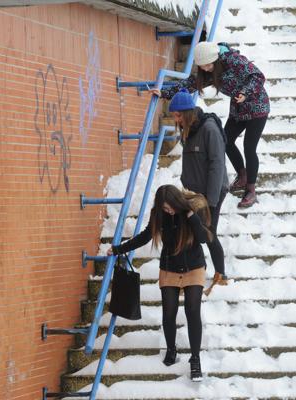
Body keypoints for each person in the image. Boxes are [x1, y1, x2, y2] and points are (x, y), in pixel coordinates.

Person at [107, 185, 211, 382]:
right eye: (164, 208)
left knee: (192, 310)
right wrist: (119, 249)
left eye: (170, 207)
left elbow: (203, 239)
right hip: (170, 268)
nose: (168, 211)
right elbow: (146, 236)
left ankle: (195, 359)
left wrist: (190, 215)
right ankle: (171, 349)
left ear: (177, 202)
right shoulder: (159, 215)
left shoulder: (190, 210)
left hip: (194, 267)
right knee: (168, 312)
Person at [152, 41, 270, 208]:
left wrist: (245, 92)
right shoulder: (208, 70)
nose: (206, 69)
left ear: (214, 59)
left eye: (208, 65)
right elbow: (191, 84)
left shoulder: (233, 60)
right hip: (238, 110)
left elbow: (257, 76)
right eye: (202, 66)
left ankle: (250, 190)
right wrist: (165, 92)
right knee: (226, 141)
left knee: (249, 147)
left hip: (257, 107)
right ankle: (242, 176)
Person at [166, 88, 229, 289]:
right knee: (190, 230)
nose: (176, 119)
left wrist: (210, 201)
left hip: (212, 192)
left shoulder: (209, 129)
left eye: (177, 115)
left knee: (207, 233)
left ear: (187, 113)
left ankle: (221, 274)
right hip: (193, 191)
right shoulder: (189, 130)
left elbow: (217, 164)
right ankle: (189, 275)